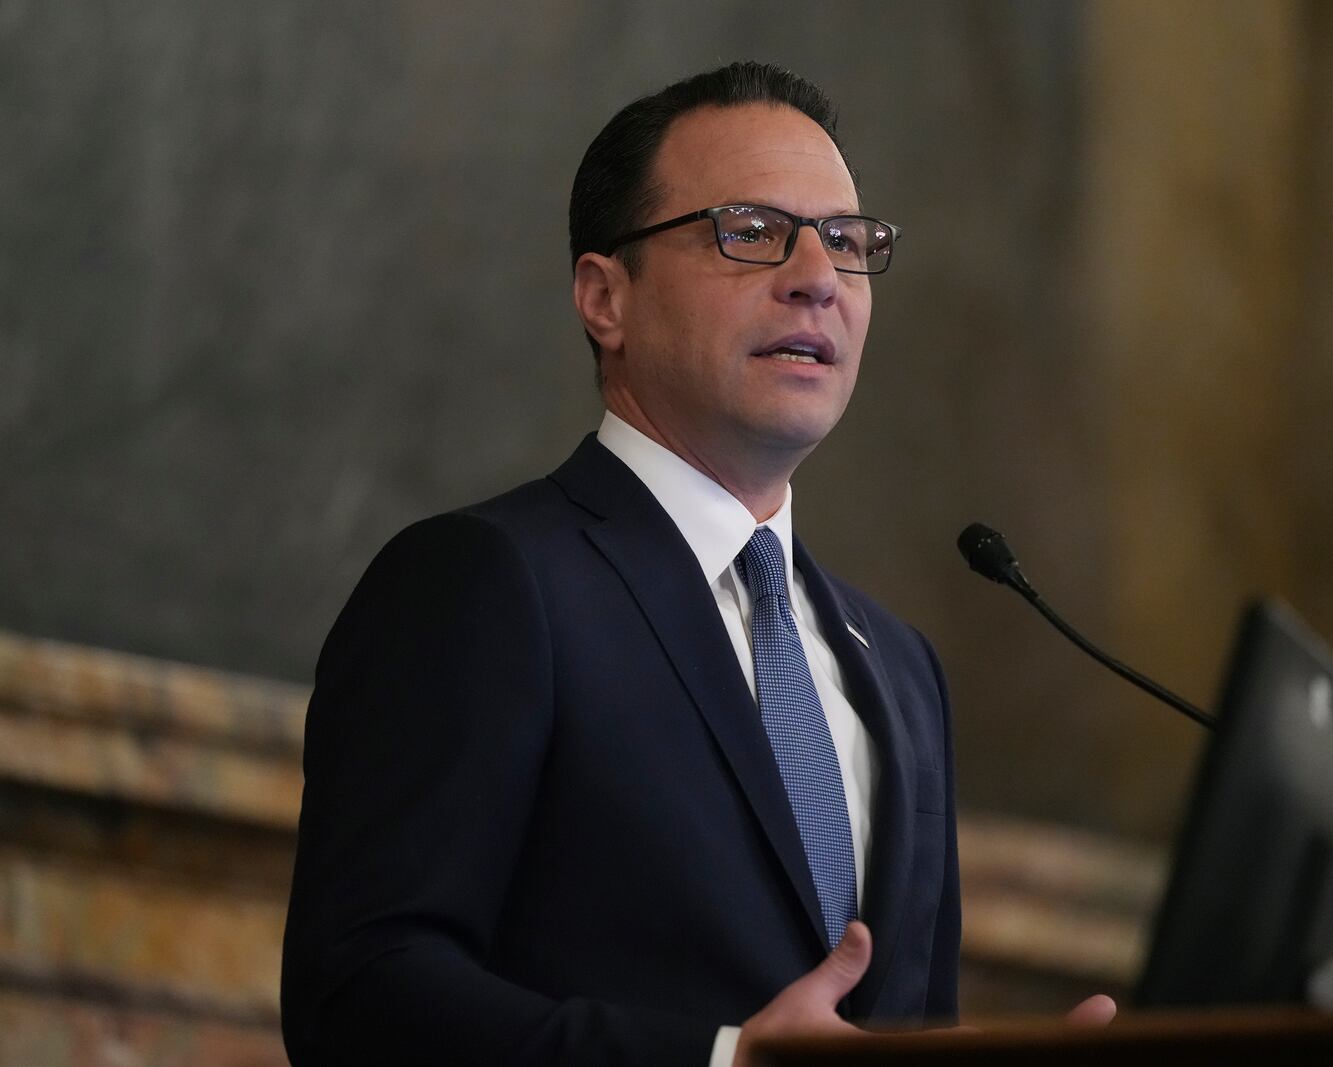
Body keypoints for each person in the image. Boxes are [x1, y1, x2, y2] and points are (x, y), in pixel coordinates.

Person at [281, 61, 1112, 1067]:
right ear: (605, 298)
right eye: (751, 231)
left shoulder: (899, 669)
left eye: (846, 242)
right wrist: (722, 1060)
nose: (816, 275)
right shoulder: (487, 584)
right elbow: (360, 990)